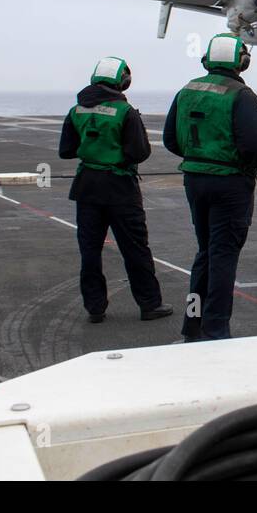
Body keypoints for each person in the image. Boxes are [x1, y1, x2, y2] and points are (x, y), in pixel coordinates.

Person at [163, 33, 257, 341]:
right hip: (231, 185)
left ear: (207, 61)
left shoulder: (187, 90)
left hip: (194, 180)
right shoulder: (241, 95)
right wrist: (255, 161)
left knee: (205, 252)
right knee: (224, 254)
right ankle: (216, 329)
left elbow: (171, 139)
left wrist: (200, 157)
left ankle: (194, 322)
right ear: (242, 61)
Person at [58, 57, 172, 323]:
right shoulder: (125, 111)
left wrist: (93, 149)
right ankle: (149, 304)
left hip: (86, 186)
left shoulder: (77, 111)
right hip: (120, 188)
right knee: (135, 249)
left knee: (90, 251)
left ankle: (95, 308)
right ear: (122, 81)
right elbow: (139, 152)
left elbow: (66, 151)